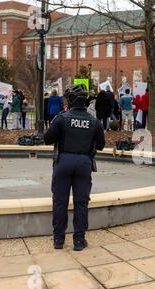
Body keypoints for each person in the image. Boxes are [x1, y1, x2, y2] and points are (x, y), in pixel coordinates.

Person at [43, 84, 106, 251]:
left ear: (70, 100)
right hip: (84, 163)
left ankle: (58, 239)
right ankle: (79, 240)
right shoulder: (94, 121)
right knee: (81, 203)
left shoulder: (61, 118)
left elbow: (47, 139)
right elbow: (101, 146)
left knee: (59, 202)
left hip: (63, 161)